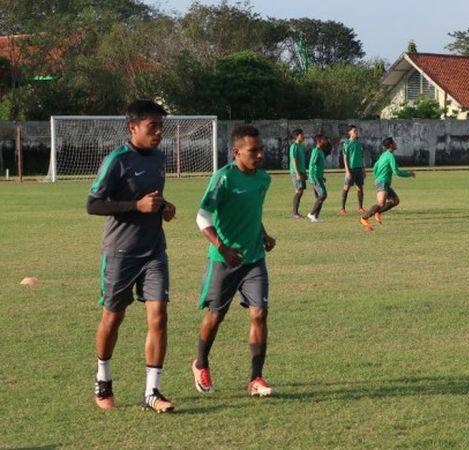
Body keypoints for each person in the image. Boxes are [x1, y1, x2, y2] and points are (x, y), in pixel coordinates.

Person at [87, 99, 176, 413]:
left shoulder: (161, 158)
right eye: (153, 126)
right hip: (121, 253)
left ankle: (152, 391)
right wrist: (134, 207)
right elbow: (93, 204)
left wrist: (164, 207)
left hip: (154, 251)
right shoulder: (117, 160)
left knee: (159, 317)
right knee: (113, 317)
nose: (158, 132)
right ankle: (103, 379)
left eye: (160, 126)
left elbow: (153, 198)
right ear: (133, 127)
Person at [192, 124, 277, 397]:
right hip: (224, 260)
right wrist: (223, 247)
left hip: (253, 258)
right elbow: (202, 216)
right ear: (236, 152)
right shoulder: (223, 178)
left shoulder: (263, 179)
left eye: (261, 149)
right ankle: (201, 363)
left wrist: (263, 235)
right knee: (215, 316)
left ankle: (256, 378)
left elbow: (250, 212)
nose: (260, 155)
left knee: (260, 313)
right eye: (254, 151)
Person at [359, 137, 415, 231]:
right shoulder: (390, 156)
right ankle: (364, 218)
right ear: (391, 145)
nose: (396, 144)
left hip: (383, 182)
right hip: (382, 182)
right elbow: (396, 172)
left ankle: (378, 212)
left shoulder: (383, 155)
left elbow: (375, 166)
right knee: (381, 203)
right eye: (394, 143)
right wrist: (409, 174)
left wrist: (376, 177)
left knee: (395, 201)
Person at [340, 125, 366, 215]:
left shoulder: (359, 143)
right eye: (354, 131)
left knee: (360, 188)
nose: (356, 132)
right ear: (349, 132)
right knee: (346, 187)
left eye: (357, 131)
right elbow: (345, 158)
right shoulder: (347, 143)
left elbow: (361, 157)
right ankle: (342, 208)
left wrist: (363, 169)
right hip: (351, 169)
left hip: (359, 169)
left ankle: (360, 208)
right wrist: (347, 171)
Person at [306, 134, 329, 223]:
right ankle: (311, 213)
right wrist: (312, 178)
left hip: (319, 177)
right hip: (315, 177)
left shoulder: (320, 151)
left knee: (319, 197)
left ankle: (315, 217)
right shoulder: (316, 151)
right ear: (319, 141)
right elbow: (312, 165)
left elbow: (318, 166)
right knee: (323, 195)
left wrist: (322, 176)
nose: (326, 141)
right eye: (324, 140)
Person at [288, 129, 307, 219]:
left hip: (301, 171)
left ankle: (296, 212)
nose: (303, 136)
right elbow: (294, 160)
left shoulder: (301, 147)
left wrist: (304, 172)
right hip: (296, 172)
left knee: (301, 191)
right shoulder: (294, 146)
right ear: (297, 136)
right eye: (301, 134)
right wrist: (297, 173)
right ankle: (294, 213)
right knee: (298, 191)